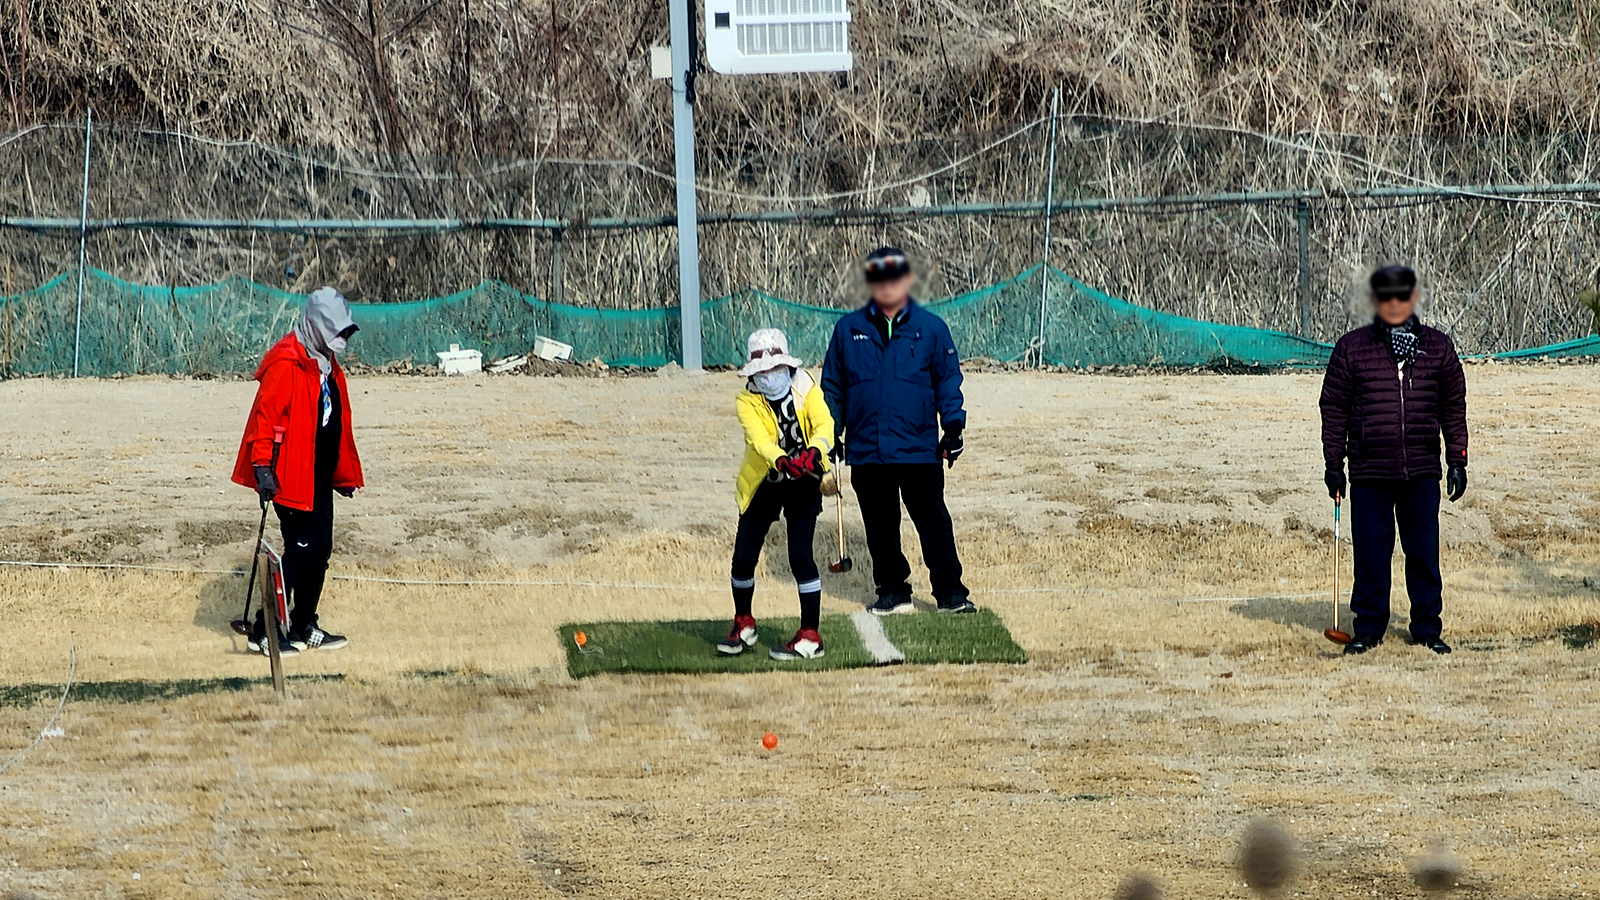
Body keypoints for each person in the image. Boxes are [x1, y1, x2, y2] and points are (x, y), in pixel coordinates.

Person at [1320, 264, 1468, 656]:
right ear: (1376, 302)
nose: (1396, 305)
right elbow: (1333, 408)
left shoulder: (1437, 347)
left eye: (1403, 296)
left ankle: (1426, 628)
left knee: (1423, 552)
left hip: (1420, 469)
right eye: (1387, 298)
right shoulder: (1352, 349)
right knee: (1371, 554)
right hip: (1370, 471)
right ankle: (1367, 628)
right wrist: (1333, 464)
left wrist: (1458, 458)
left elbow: (1453, 407)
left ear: (1413, 299)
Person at [821, 247, 974, 616]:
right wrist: (829, 436)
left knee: (934, 522)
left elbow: (947, 381)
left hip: (918, 448)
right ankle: (892, 590)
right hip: (868, 449)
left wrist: (952, 428)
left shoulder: (931, 329)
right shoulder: (847, 330)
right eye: (879, 279)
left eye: (894, 278)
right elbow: (833, 388)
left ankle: (951, 594)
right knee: (880, 526)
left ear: (906, 281)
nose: (887, 286)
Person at [231, 287, 364, 655]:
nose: (341, 340)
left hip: (318, 475)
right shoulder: (287, 363)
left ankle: (305, 623)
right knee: (302, 552)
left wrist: (343, 474)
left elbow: (335, 422)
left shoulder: (325, 363)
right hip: (288, 476)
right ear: (317, 326)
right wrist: (262, 469)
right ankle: (265, 630)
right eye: (335, 331)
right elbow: (266, 419)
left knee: (321, 551)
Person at [720, 329, 835, 661]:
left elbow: (824, 424)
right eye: (761, 373)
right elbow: (759, 440)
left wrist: (814, 453)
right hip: (764, 480)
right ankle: (743, 621)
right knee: (743, 556)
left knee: (800, 556)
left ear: (787, 366)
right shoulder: (746, 400)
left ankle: (810, 634)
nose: (769, 378)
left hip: (805, 478)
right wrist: (781, 459)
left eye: (775, 370)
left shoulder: (807, 387)